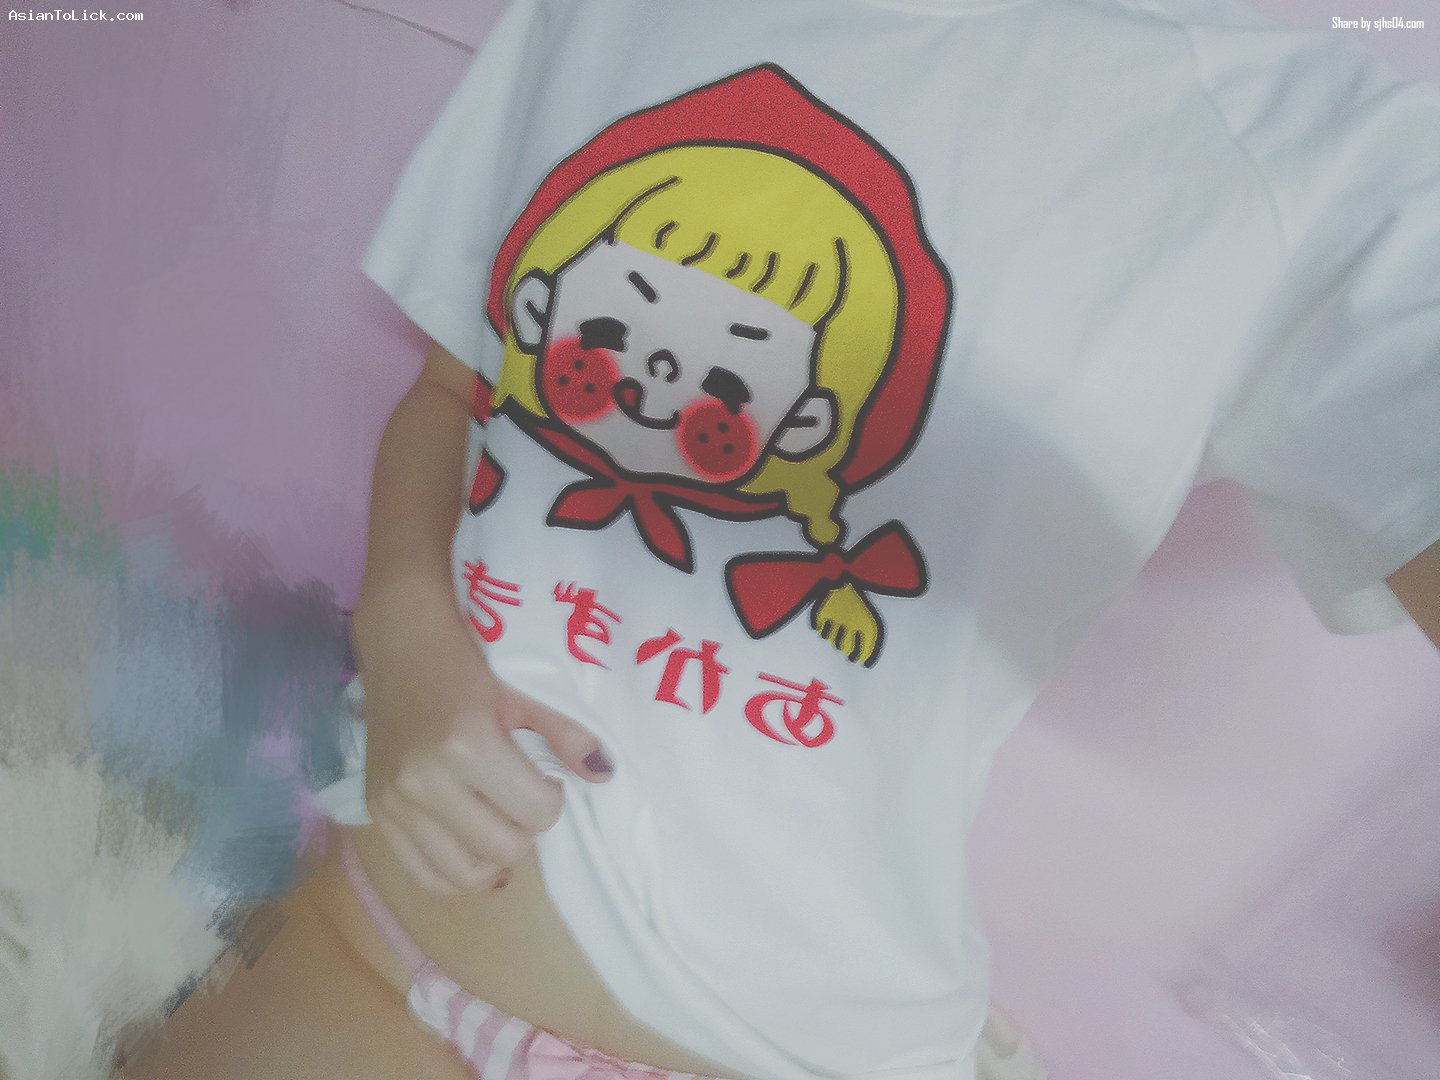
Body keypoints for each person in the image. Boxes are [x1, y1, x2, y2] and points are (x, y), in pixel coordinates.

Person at [121, 0, 1440, 1076]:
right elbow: (457, 392)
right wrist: (405, 638)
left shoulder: (1307, 152)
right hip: (382, 948)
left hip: (780, 1041)